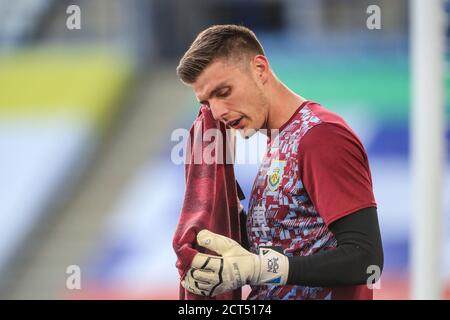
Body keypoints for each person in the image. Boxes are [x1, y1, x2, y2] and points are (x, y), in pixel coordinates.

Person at [176, 24, 383, 300]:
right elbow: (283, 249)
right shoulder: (280, 140)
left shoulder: (321, 136)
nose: (218, 112)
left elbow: (365, 258)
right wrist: (225, 202)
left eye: (223, 92)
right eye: (207, 102)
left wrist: (262, 268)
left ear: (260, 69)